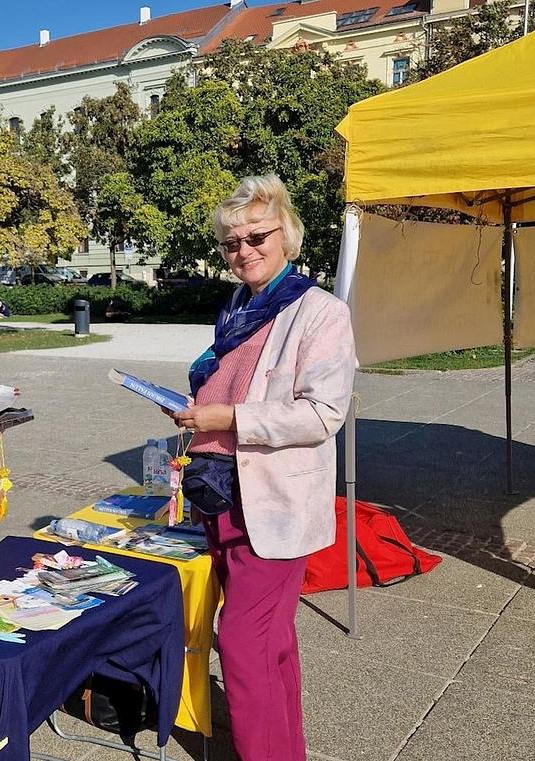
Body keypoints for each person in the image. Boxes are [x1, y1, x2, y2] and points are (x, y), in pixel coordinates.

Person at [170, 175, 355, 761]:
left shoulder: (319, 311)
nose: (244, 250)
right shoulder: (237, 310)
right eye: (231, 242)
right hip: (221, 491)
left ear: (287, 236)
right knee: (272, 642)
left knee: (243, 644)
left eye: (257, 236)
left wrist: (227, 416)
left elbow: (324, 413)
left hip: (274, 499)